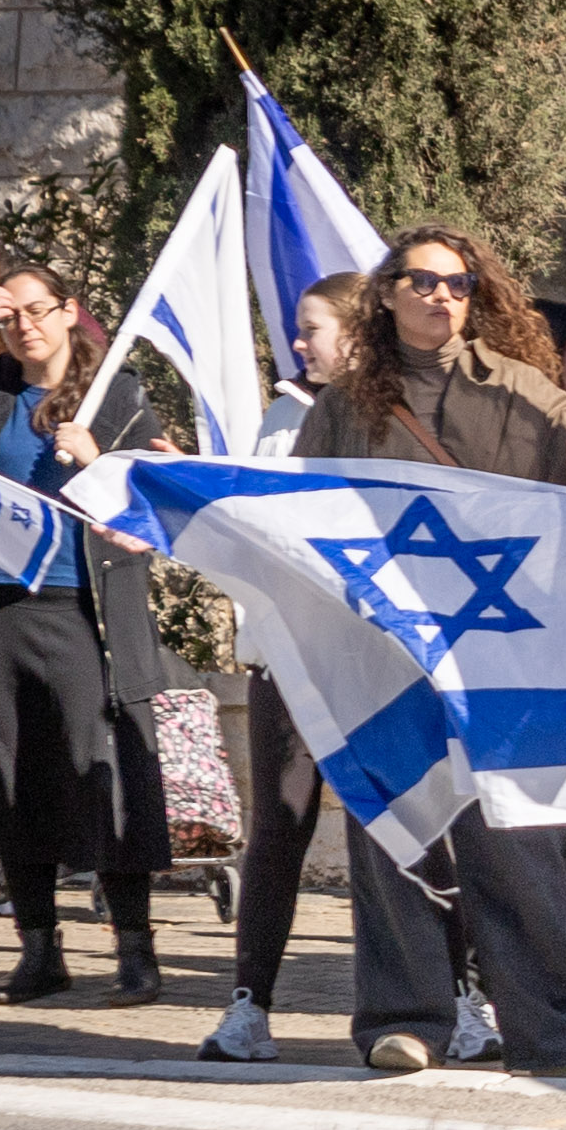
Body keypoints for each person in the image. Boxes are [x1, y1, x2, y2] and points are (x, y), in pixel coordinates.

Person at [286, 227, 566, 1075]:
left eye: (457, 284)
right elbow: (297, 516)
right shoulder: (345, 405)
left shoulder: (520, 391)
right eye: (421, 281)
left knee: (516, 843)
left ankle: (559, 1035)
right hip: (387, 653)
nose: (441, 297)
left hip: (501, 653)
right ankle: (406, 1020)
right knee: (393, 832)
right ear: (385, 294)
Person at [0, 257, 174, 1009]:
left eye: (38, 311)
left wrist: (101, 462)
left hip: (83, 610)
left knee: (99, 774)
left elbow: (163, 499)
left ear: (70, 311)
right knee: (12, 782)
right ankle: (40, 950)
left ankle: (136, 953)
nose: (26, 328)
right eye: (11, 317)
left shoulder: (118, 397)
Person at [199, 270, 367, 1064]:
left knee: (410, 834)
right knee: (281, 828)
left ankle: (455, 1000)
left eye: (314, 328)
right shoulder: (286, 417)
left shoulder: (395, 416)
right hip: (293, 661)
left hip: (379, 663)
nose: (298, 344)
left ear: (360, 332)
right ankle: (250, 1006)